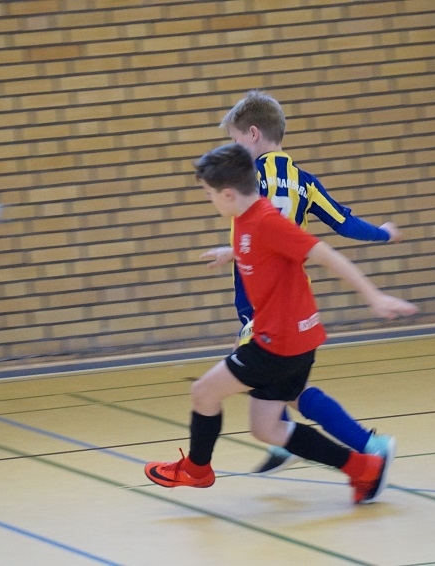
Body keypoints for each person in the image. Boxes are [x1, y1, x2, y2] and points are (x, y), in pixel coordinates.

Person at [144, 143, 418, 504]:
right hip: (295, 340)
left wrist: (374, 297)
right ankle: (363, 468)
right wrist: (233, 252)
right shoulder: (246, 221)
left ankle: (197, 470)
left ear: (228, 193)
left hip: (279, 342)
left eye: (209, 194)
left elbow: (325, 254)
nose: (209, 200)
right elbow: (262, 249)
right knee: (267, 428)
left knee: (204, 393)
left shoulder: (265, 220)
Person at [200, 90, 402, 474]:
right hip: (291, 297)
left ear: (253, 134)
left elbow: (263, 227)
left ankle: (361, 446)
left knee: (259, 384)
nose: (234, 149)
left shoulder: (248, 179)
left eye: (235, 140)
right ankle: (296, 440)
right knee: (282, 388)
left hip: (263, 304)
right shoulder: (304, 182)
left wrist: (237, 249)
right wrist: (383, 233)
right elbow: (344, 224)